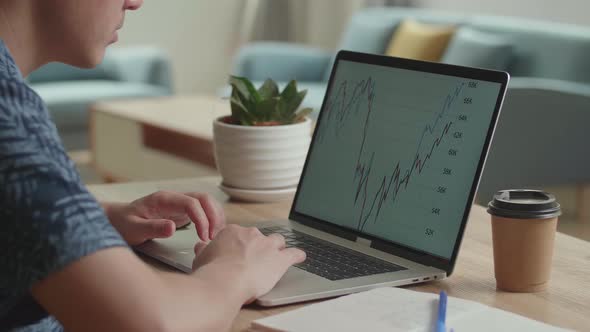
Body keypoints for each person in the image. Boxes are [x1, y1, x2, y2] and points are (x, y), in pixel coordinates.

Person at [0, 1, 306, 331]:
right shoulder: (10, 118)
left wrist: (89, 222)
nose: (135, 1)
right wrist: (235, 267)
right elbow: (155, 325)